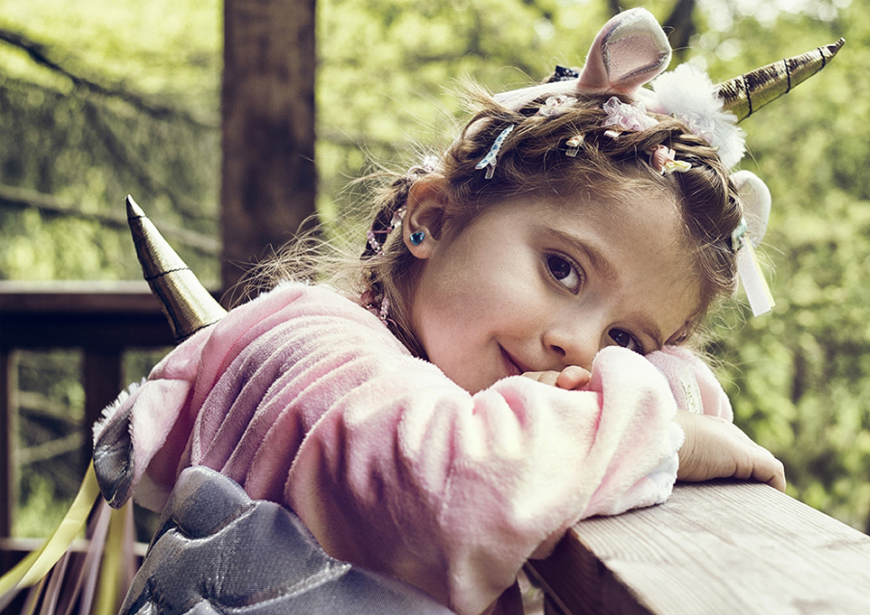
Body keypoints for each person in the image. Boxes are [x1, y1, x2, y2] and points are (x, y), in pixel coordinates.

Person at [87, 8, 844, 615]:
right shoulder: (313, 346)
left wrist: (654, 397)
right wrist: (662, 432)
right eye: (561, 268)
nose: (578, 346)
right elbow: (452, 486)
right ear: (433, 220)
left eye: (625, 337)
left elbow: (671, 391)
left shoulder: (428, 370)